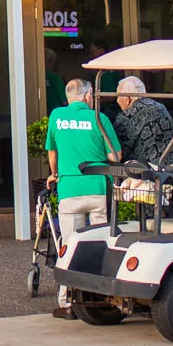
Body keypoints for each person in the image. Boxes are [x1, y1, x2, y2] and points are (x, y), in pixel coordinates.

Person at [43, 77, 120, 318]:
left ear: (68, 97)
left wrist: (54, 174)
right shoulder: (99, 118)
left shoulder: (56, 116)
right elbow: (115, 156)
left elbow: (52, 152)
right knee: (102, 245)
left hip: (69, 189)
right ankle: (102, 298)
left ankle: (67, 302)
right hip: (98, 187)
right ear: (87, 96)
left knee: (70, 245)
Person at [112, 75, 173, 167]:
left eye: (118, 96)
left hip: (153, 173)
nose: (117, 101)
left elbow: (117, 151)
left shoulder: (128, 115)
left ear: (127, 99)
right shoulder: (160, 107)